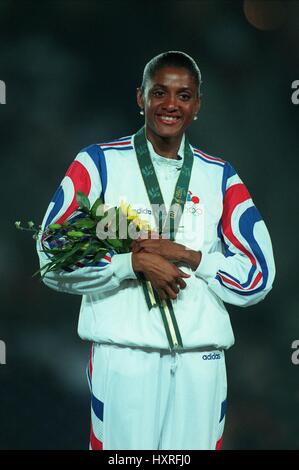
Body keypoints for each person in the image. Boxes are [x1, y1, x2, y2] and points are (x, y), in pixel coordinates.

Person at [36, 51, 275, 450]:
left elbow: (259, 274)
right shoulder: (98, 164)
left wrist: (189, 256)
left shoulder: (220, 176)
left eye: (184, 96)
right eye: (159, 92)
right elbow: (51, 253)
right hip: (124, 356)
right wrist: (130, 263)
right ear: (140, 98)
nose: (170, 104)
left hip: (202, 361)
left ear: (197, 105)